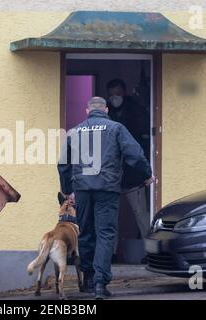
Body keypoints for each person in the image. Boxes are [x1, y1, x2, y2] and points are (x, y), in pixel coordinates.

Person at [58, 97, 154, 299]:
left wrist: (67, 190)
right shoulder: (116, 128)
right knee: (105, 233)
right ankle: (101, 284)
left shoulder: (75, 132)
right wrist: (146, 175)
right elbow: (134, 155)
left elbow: (63, 164)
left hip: (82, 189)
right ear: (106, 110)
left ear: (87, 111)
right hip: (107, 189)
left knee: (85, 233)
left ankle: (89, 280)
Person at [107, 78, 152, 238]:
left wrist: (144, 172)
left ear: (124, 92)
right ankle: (110, 254)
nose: (115, 98)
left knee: (141, 214)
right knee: (110, 218)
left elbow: (141, 145)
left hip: (133, 175)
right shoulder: (107, 113)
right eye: (111, 95)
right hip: (112, 174)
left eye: (117, 94)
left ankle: (149, 251)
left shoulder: (136, 111)